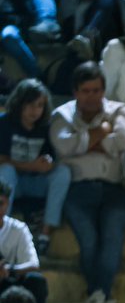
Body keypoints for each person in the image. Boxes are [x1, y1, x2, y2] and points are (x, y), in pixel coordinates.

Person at [50, 60, 125, 303]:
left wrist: (84, 142)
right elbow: (64, 147)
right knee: (88, 241)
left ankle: (98, 294)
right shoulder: (62, 115)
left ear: (103, 90)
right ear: (76, 92)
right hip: (77, 191)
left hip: (114, 190)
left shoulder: (119, 110)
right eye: (86, 91)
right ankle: (102, 295)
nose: (92, 97)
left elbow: (121, 141)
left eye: (96, 90)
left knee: (112, 240)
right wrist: (101, 133)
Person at [0, 80, 71, 263]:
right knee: (6, 171)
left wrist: (49, 164)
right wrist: (31, 166)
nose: (35, 111)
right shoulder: (6, 123)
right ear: (20, 103)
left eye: (39, 105)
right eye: (30, 105)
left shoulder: (46, 128)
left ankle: (44, 236)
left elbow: (55, 157)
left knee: (63, 172)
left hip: (36, 182)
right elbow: (2, 160)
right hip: (11, 182)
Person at [0, 184, 49, 303]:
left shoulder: (18, 228)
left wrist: (9, 270)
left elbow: (33, 265)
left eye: (0, 203)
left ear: (7, 203)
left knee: (36, 281)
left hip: (8, 282)